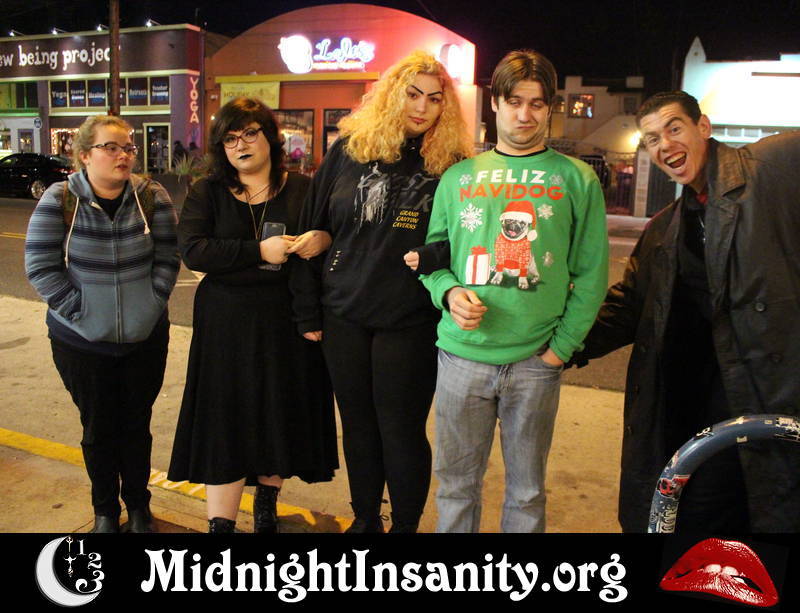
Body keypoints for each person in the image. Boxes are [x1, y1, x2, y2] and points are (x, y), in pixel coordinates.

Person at [573, 91, 800, 533]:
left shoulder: (770, 167)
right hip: (694, 410)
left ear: (704, 127)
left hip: (764, 399)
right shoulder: (665, 227)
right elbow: (629, 306)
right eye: (653, 138)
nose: (666, 145)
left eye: (674, 128)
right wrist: (556, 341)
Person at [420, 49, 608, 533]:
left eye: (537, 104)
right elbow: (433, 259)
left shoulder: (577, 179)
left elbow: (591, 274)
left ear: (549, 108)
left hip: (535, 364)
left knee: (526, 493)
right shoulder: (458, 178)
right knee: (455, 487)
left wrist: (559, 350)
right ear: (495, 104)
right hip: (460, 359)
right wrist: (449, 294)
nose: (525, 115)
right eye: (514, 101)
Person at [292, 50, 472, 533]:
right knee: (357, 426)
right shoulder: (350, 150)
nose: (422, 107)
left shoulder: (453, 165)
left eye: (434, 98)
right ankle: (366, 518)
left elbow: (467, 242)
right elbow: (313, 227)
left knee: (401, 429)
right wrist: (307, 311)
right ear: (392, 95)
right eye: (412, 94)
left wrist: (435, 258)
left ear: (445, 107)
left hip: (410, 318)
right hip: (343, 313)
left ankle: (405, 527)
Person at [167, 97, 338, 533]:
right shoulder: (207, 191)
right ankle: (220, 523)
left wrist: (323, 240)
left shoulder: (302, 189)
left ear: (270, 137)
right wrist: (258, 251)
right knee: (224, 420)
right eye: (230, 139)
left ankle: (266, 503)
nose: (240, 145)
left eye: (249, 133)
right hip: (225, 325)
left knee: (276, 414)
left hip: (285, 322)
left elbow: (331, 242)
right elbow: (195, 250)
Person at [25, 115, 179, 533]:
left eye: (127, 147)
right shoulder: (60, 199)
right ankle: (105, 512)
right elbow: (40, 266)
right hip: (80, 343)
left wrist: (151, 304)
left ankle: (140, 507)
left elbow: (168, 257)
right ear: (84, 155)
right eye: (110, 147)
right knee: (98, 429)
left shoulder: (152, 197)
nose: (122, 155)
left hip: (144, 339)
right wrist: (79, 313)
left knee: (137, 426)